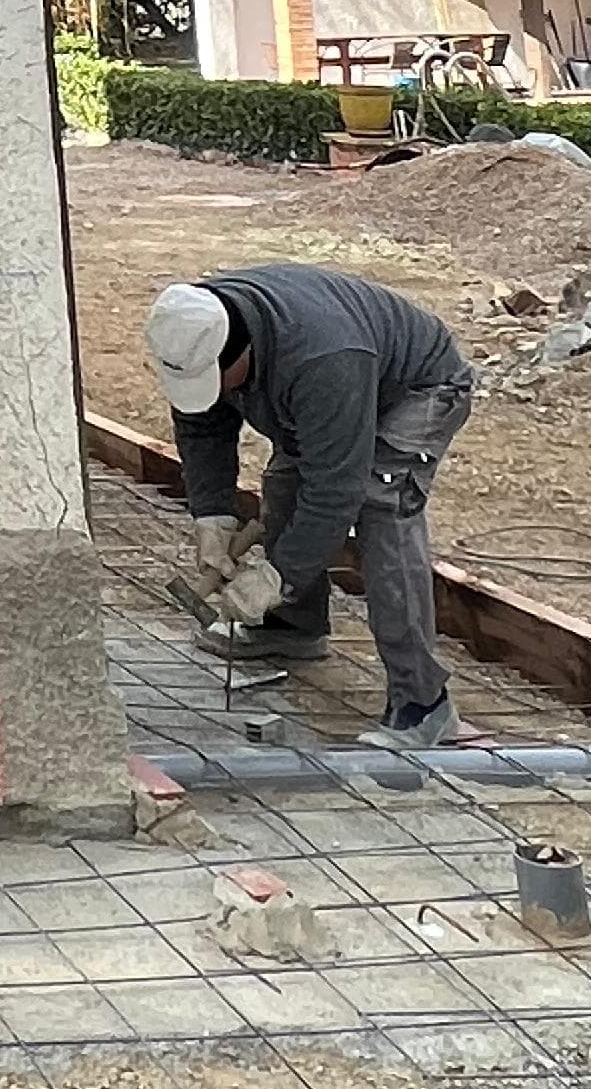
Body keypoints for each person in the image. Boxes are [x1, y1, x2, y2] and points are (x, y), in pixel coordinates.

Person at [144, 268, 477, 747]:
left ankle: (424, 704)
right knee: (284, 485)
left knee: (381, 504)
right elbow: (201, 427)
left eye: (214, 379)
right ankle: (294, 627)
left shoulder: (322, 359)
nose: (210, 389)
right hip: (337, 387)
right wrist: (212, 516)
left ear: (241, 352)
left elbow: (336, 490)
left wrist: (279, 576)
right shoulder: (194, 330)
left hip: (416, 388)